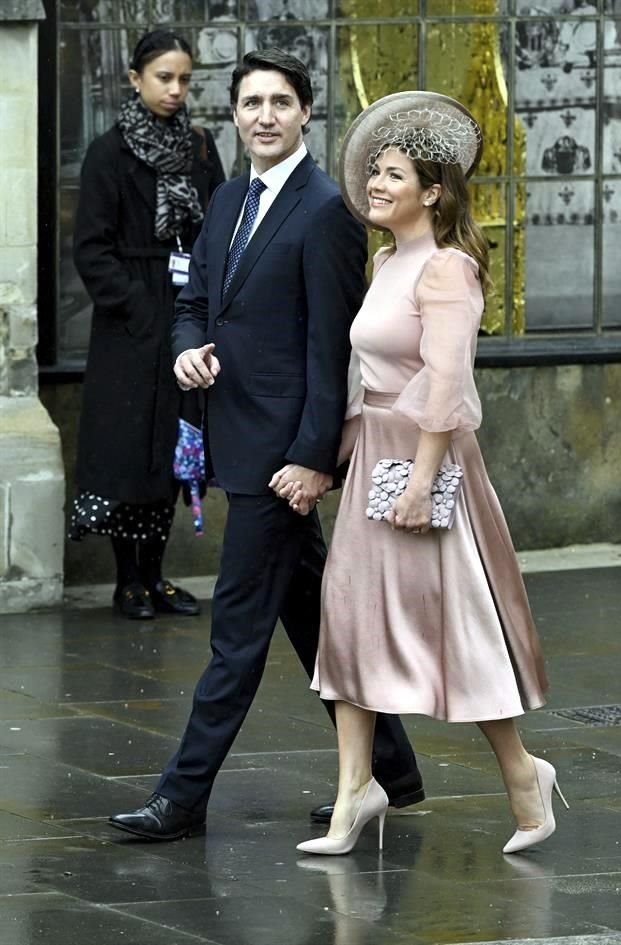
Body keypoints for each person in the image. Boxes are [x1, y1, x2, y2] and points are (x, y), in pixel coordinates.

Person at [108, 49, 423, 841]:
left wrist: (316, 457)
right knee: (312, 613)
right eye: (251, 102)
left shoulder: (324, 210)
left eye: (280, 101)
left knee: (236, 635)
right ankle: (393, 771)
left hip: (281, 461)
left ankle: (180, 797)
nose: (264, 116)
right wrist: (187, 345)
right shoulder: (227, 200)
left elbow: (331, 349)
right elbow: (197, 298)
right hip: (235, 437)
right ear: (236, 113)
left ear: (307, 113)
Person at [287, 91, 567, 857]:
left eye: (395, 173)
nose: (376, 183)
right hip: (376, 456)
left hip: (426, 466)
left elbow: (446, 384)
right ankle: (355, 793)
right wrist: (337, 456)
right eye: (374, 171)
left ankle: (523, 774)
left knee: (461, 630)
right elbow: (364, 374)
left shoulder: (447, 270)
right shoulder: (386, 261)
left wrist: (420, 480)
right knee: (347, 620)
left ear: (434, 191)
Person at [71, 30, 225, 620]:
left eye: (184, 78)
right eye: (164, 77)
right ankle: (127, 580)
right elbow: (91, 249)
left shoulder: (201, 148)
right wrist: (139, 309)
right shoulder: (109, 152)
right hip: (130, 325)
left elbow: (216, 229)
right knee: (128, 449)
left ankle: (156, 576)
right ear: (136, 79)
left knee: (173, 450)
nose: (176, 89)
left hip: (186, 317)